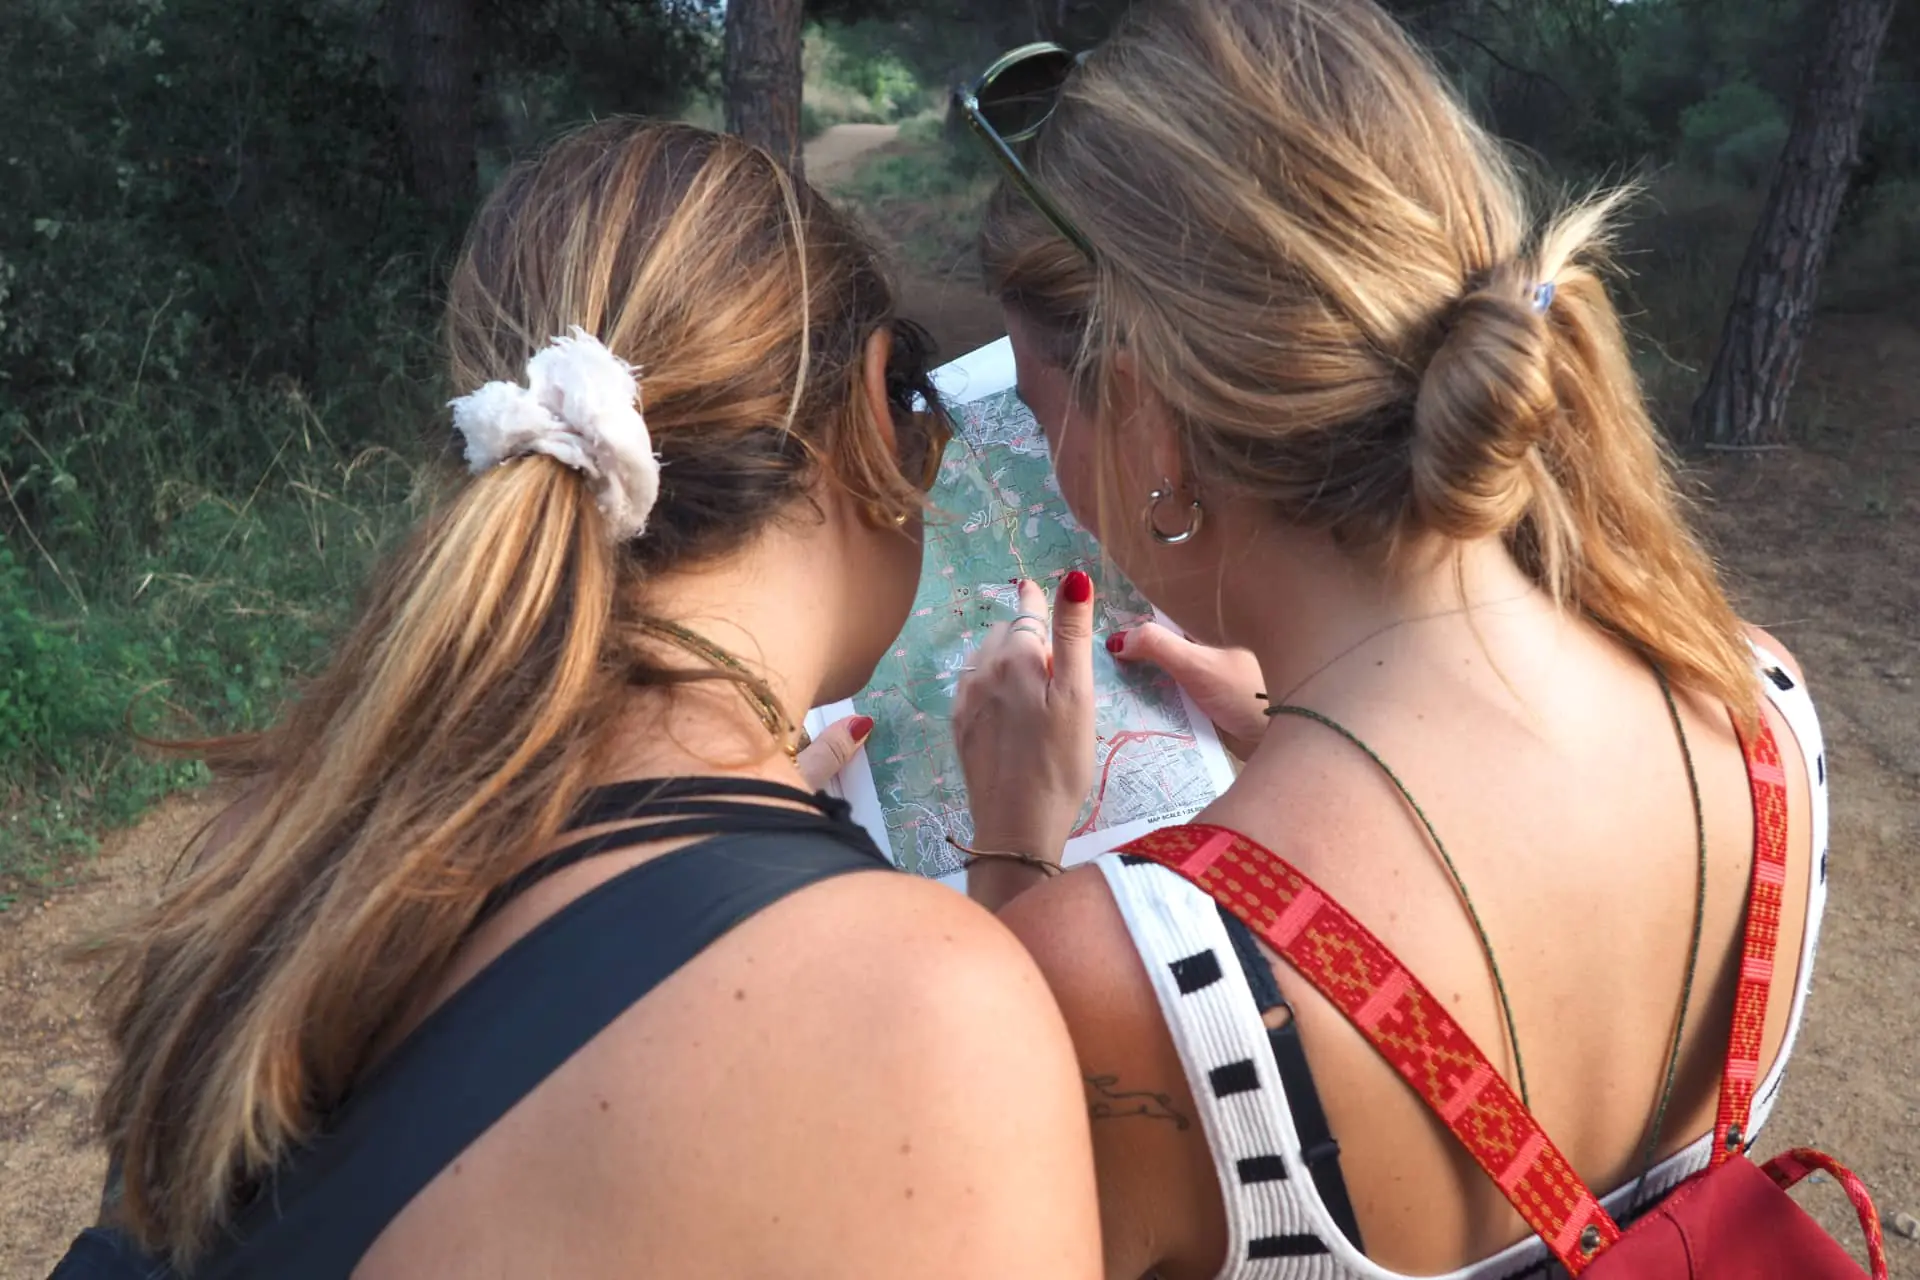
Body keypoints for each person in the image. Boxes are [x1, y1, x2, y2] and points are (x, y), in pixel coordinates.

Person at [75, 119, 1101, 1279]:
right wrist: (999, 875)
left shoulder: (278, 850)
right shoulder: (926, 1010)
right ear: (874, 402)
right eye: (917, 403)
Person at [949, 2, 1831, 1278]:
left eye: (1044, 416)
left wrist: (1013, 853)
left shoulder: (1109, 978)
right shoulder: (1763, 712)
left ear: (1142, 413)